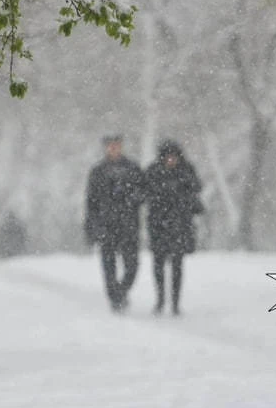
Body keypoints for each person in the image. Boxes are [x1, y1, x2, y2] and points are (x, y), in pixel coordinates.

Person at [85, 134, 145, 313]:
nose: (114, 148)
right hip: (106, 225)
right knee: (108, 265)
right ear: (105, 148)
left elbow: (143, 193)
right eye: (110, 146)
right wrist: (91, 227)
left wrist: (132, 198)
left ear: (121, 146)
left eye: (116, 145)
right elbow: (91, 202)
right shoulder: (98, 171)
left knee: (132, 266)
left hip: (129, 224)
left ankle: (122, 290)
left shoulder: (133, 168)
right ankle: (114, 298)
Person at [144, 139, 204, 315]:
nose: (171, 160)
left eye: (174, 157)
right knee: (158, 264)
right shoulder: (153, 171)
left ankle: (175, 302)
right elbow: (145, 193)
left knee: (177, 265)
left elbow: (196, 188)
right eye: (168, 157)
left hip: (180, 225)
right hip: (158, 225)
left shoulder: (186, 170)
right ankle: (161, 299)